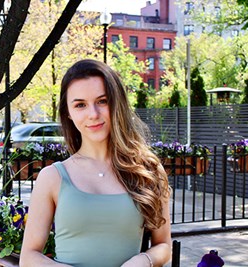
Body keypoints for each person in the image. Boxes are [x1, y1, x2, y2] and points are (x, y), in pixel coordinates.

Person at [19, 59, 171, 267]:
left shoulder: (148, 171)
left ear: (117, 103)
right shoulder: (52, 177)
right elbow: (28, 257)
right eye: (80, 105)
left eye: (102, 101)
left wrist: (143, 260)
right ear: (68, 114)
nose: (93, 114)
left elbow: (163, 245)